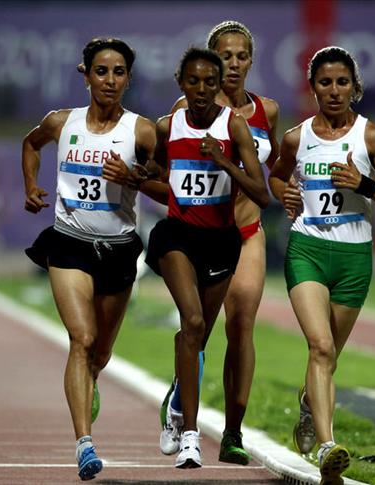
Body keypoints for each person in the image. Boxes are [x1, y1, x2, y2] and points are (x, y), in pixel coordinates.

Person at [268, 46, 375, 484]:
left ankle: (309, 402)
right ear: (312, 87)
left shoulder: (372, 137)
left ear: (355, 87)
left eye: (342, 82)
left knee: (329, 357)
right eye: (325, 82)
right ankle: (328, 448)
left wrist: (364, 184)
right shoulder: (296, 138)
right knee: (321, 348)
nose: (334, 91)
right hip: (307, 250)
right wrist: (284, 193)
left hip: (354, 258)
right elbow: (276, 173)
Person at [21, 37, 155, 481]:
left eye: (118, 72)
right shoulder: (62, 122)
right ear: (86, 76)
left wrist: (134, 176)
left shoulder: (141, 131)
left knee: (100, 352)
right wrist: (30, 186)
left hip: (118, 249)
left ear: (128, 79)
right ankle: (84, 444)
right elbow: (31, 144)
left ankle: (89, 378)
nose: (110, 80)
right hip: (69, 244)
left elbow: (164, 178)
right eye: (101, 71)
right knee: (81, 338)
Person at [158, 20, 280, 466]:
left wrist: (288, 188)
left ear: (251, 60)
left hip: (245, 234)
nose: (233, 64)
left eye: (241, 56)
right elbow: (170, 168)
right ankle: (180, 394)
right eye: (225, 56)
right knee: (198, 329)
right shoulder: (190, 107)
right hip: (200, 232)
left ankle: (232, 433)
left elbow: (273, 169)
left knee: (242, 324)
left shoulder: (266, 111)